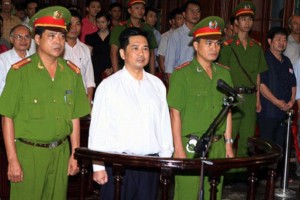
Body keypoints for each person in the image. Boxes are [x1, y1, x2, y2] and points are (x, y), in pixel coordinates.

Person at [0, 6, 90, 200]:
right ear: (38, 39)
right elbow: (7, 117)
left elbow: (74, 117)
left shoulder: (71, 73)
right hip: (29, 154)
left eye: (61, 36)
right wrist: (12, 159)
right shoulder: (20, 72)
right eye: (51, 36)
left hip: (60, 153)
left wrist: (75, 154)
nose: (58, 41)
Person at [88, 27, 173, 200]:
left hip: (149, 165)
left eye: (145, 48)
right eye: (135, 48)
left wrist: (165, 162)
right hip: (118, 165)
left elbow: (164, 124)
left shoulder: (157, 85)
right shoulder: (109, 86)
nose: (141, 53)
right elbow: (98, 127)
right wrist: (98, 167)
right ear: (122, 53)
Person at [167, 16, 234, 200]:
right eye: (209, 43)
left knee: (215, 194)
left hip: (218, 145)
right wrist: (178, 148)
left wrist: (228, 144)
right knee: (186, 195)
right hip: (191, 146)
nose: (214, 48)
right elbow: (175, 113)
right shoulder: (182, 74)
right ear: (196, 45)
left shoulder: (224, 73)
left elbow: (227, 110)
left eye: (217, 43)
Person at [218, 1, 268, 158]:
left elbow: (258, 75)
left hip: (251, 96)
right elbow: (223, 73)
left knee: (247, 139)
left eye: (250, 19)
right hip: (234, 96)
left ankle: (241, 174)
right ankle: (227, 174)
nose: (247, 23)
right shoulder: (227, 46)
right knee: (229, 136)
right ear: (236, 23)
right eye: (243, 19)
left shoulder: (256, 47)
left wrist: (258, 99)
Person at [258, 27, 296, 152]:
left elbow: (293, 83)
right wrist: (277, 102)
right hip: (269, 111)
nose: (282, 42)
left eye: (284, 40)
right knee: (267, 148)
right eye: (278, 39)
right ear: (270, 41)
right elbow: (261, 85)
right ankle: (265, 172)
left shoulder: (287, 61)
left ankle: (279, 172)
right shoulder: (264, 59)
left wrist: (292, 101)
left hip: (284, 112)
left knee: (281, 148)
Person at [109, 0, 157, 74]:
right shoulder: (119, 28)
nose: (140, 11)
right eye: (137, 8)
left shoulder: (147, 28)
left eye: (142, 8)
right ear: (129, 10)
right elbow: (113, 52)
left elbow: (151, 53)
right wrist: (117, 75)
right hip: (124, 70)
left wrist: (152, 75)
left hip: (144, 70)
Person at [64, 8, 95, 103]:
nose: (74, 28)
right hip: (63, 99)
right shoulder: (57, 48)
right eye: (70, 24)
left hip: (82, 98)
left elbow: (89, 79)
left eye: (77, 24)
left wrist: (88, 101)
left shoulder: (85, 49)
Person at [164, 0, 201, 80]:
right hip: (181, 78)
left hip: (199, 78)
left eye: (197, 11)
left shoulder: (201, 34)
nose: (195, 14)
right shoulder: (176, 35)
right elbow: (169, 65)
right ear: (184, 14)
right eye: (191, 11)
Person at [0, 24, 31, 96]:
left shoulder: (35, 60)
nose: (23, 40)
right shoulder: (2, 60)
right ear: (11, 39)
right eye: (19, 37)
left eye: (27, 37)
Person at [85, 12, 112, 86]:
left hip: (110, 69)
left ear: (108, 22)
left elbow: (117, 55)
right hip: (95, 70)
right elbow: (88, 56)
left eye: (103, 22)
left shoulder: (113, 36)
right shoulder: (91, 37)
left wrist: (113, 68)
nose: (100, 25)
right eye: (98, 22)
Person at [158, 8, 184, 73]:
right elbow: (161, 58)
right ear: (173, 21)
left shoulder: (187, 35)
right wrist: (166, 74)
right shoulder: (166, 37)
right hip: (171, 72)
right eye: (179, 18)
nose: (183, 21)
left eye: (184, 18)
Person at [144, 7, 161, 72]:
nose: (153, 19)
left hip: (154, 66)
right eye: (151, 16)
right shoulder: (140, 30)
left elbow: (158, 53)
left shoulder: (157, 34)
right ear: (144, 17)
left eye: (155, 17)